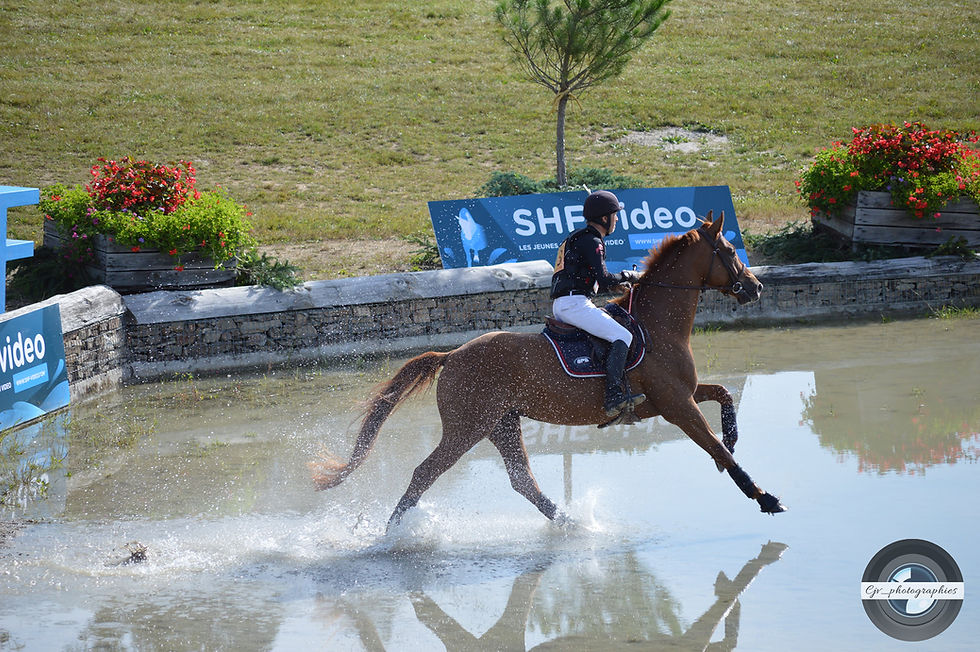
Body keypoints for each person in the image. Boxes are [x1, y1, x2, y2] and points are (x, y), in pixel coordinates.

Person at [550, 190, 645, 417]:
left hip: (566, 303)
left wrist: (613, 286)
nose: (617, 220)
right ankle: (613, 396)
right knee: (624, 336)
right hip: (575, 305)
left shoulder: (578, 237)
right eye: (615, 215)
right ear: (605, 218)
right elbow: (603, 277)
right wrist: (627, 276)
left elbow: (590, 280)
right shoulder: (593, 241)